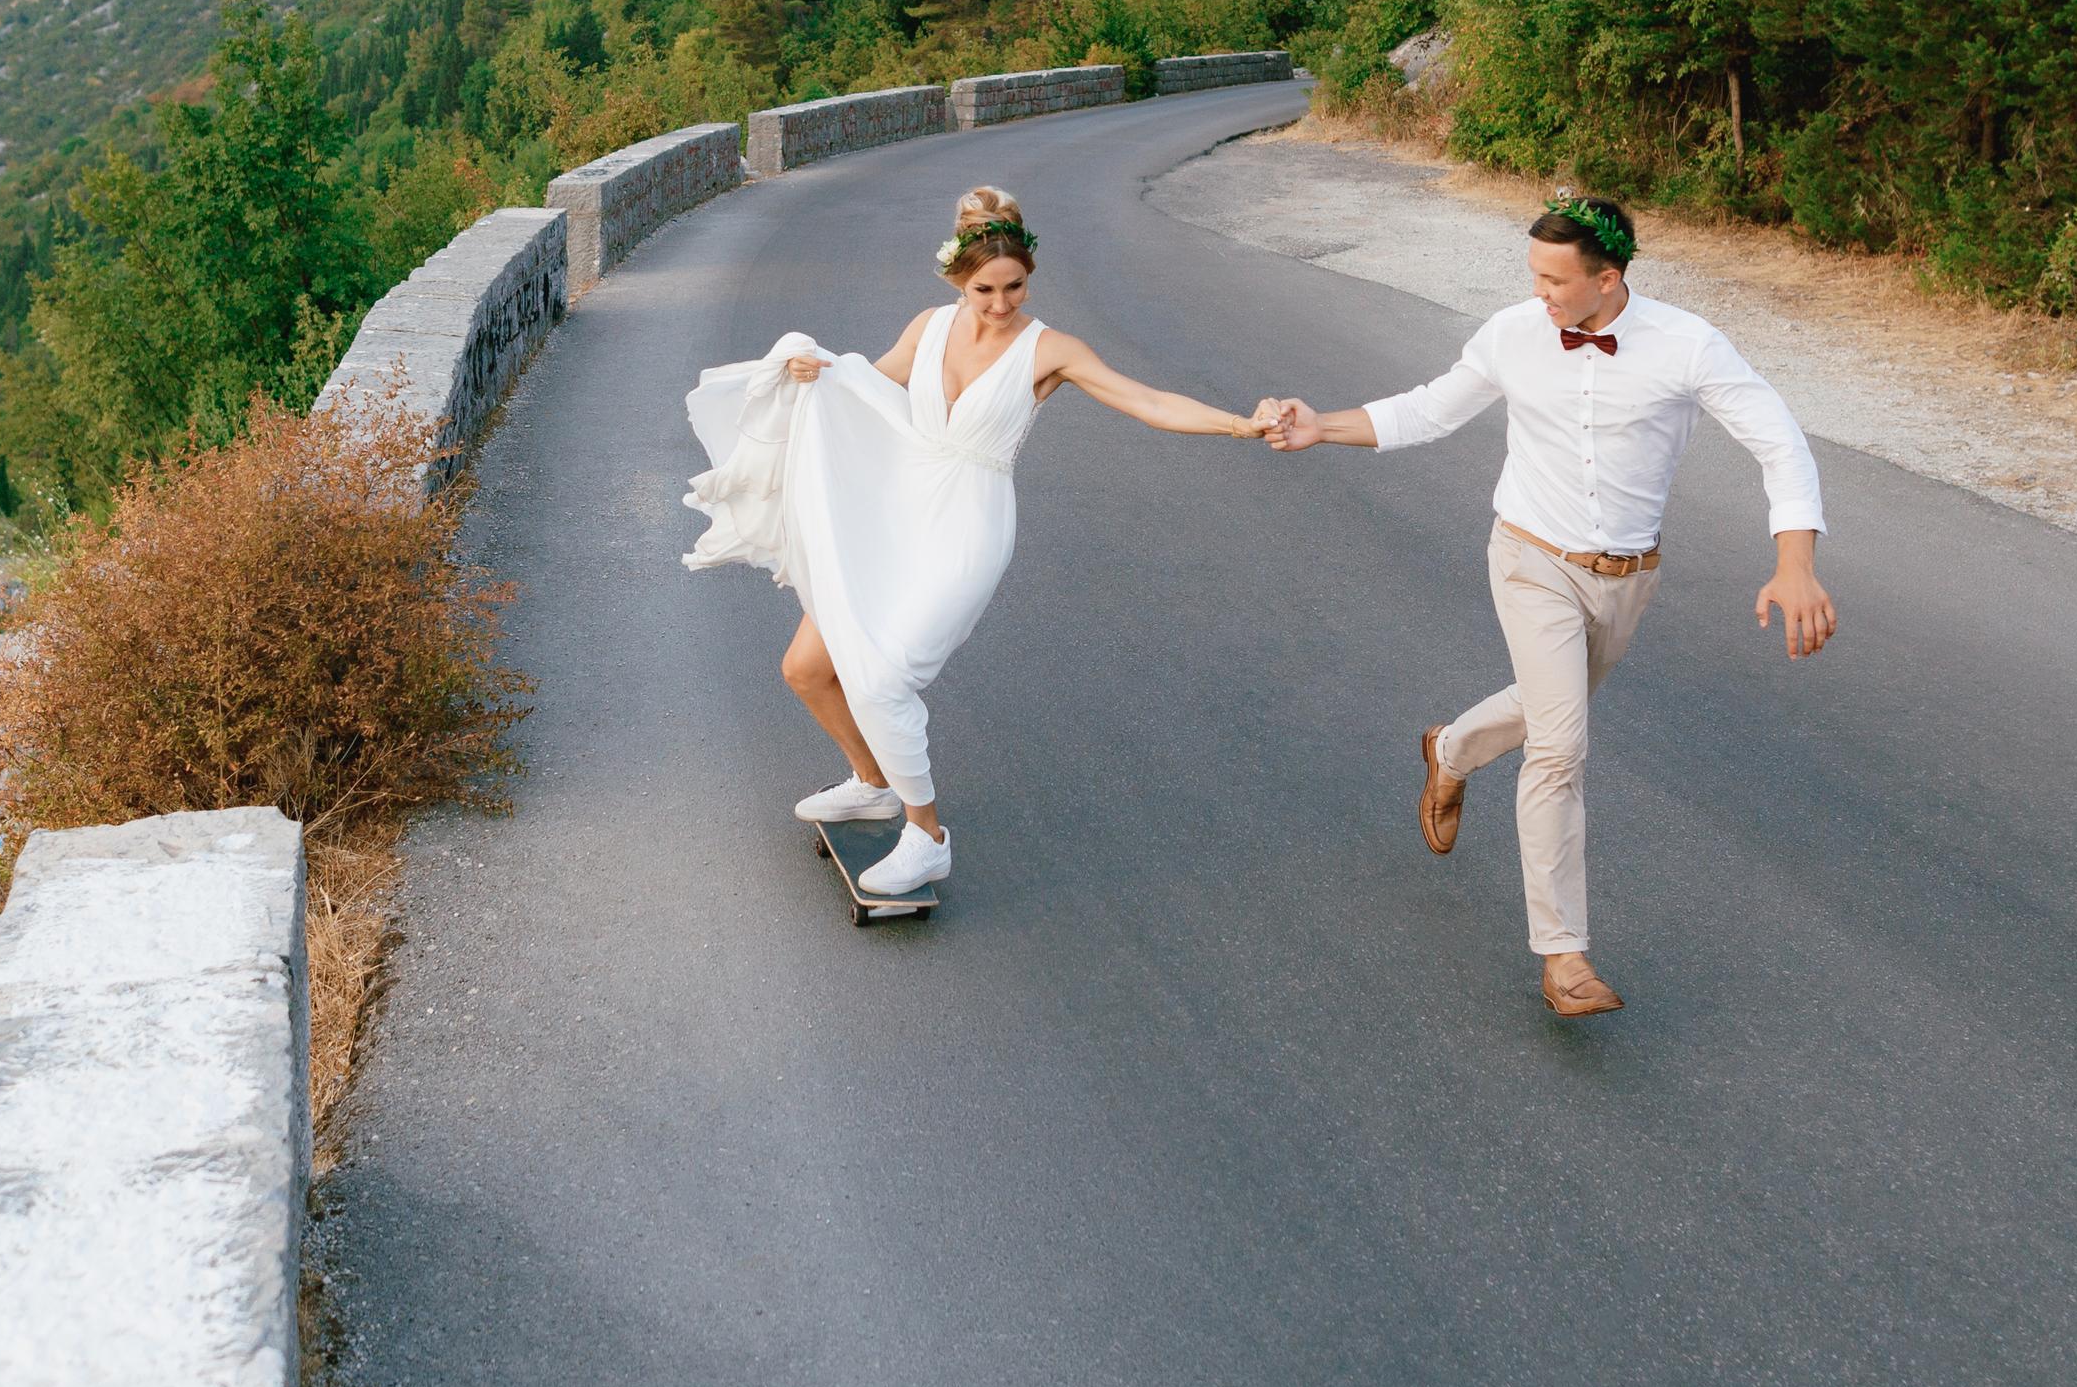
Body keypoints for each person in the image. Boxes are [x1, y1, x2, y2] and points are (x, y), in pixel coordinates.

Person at [1255, 197, 1835, 1018]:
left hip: (1629, 577)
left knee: (1544, 706)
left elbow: (1778, 441)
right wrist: (1324, 426)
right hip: (1530, 560)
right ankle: (1563, 956)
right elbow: (1429, 409)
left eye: (1557, 280)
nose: (1541, 295)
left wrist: (1795, 563)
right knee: (1560, 747)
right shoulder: (1513, 334)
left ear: (1610, 277)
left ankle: (1450, 749)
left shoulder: (1688, 345)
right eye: (1533, 274)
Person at [684, 184, 1265, 898]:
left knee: (885, 675)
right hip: (892, 512)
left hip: (967, 525)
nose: (1000, 304)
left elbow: (1147, 401)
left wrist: (1240, 424)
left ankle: (926, 838)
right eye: (985, 288)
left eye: (1015, 287)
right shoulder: (929, 327)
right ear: (958, 277)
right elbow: (864, 385)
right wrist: (812, 367)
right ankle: (873, 782)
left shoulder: (1050, 348)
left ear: (1029, 276)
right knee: (807, 668)